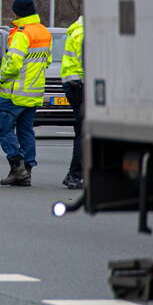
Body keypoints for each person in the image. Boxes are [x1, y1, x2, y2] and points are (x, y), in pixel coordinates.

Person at [0, 0, 53, 186]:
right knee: (26, 131)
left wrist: (1, 77)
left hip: (14, 93)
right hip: (34, 92)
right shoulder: (44, 32)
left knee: (4, 130)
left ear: (17, 12)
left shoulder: (21, 34)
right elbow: (48, 61)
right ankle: (27, 170)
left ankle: (17, 168)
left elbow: (13, 64)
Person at [60, 16, 84, 189]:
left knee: (81, 131)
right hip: (81, 85)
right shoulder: (85, 34)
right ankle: (76, 175)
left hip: (72, 84)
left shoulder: (76, 30)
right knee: (84, 133)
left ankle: (73, 174)